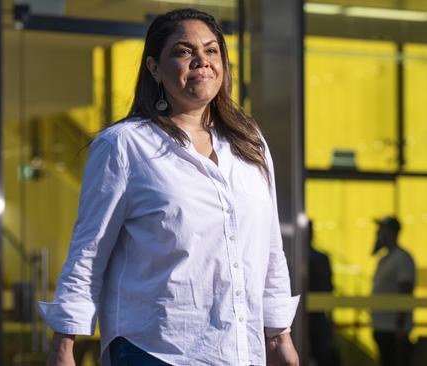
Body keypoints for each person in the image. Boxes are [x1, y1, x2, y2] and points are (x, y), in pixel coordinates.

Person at [38, 8, 300, 366]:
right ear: (154, 68)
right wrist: (64, 343)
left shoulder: (248, 142)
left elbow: (269, 247)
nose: (201, 61)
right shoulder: (124, 146)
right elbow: (89, 251)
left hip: (238, 351)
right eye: (183, 51)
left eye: (211, 50)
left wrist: (279, 334)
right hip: (153, 350)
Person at [370, 216, 416, 366]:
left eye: (381, 230)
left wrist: (400, 325)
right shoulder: (384, 260)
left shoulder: (402, 258)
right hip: (381, 327)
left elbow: (405, 292)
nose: (377, 234)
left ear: (390, 232)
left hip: (394, 330)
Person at [306, 220, 341, 366]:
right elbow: (329, 289)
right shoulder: (320, 258)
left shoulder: (300, 258)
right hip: (317, 316)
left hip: (310, 316)